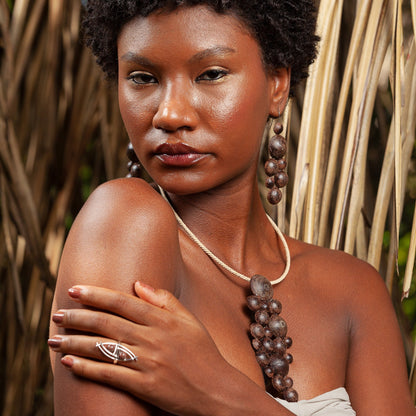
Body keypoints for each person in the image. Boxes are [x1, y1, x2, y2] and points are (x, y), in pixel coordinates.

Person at [48, 1, 416, 415]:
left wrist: (219, 391)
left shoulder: (353, 290)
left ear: (277, 84)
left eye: (210, 74)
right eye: (142, 78)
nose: (169, 114)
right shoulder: (125, 226)